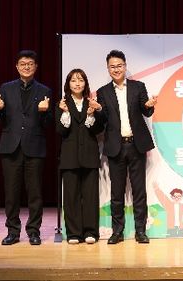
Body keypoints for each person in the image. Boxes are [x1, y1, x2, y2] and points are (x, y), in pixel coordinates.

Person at [95, 50, 157, 244]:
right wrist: (98, 110)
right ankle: (117, 232)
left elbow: (146, 111)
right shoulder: (103, 92)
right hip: (116, 147)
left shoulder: (138, 87)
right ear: (108, 69)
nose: (116, 69)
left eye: (119, 66)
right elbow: (102, 121)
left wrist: (149, 105)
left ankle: (141, 231)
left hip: (136, 145)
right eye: (112, 66)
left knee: (139, 191)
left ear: (125, 66)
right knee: (117, 193)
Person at [0, 50, 52, 246]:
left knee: (35, 194)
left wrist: (44, 112)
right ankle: (13, 231)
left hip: (34, 147)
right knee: (11, 194)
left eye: (30, 64)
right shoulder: (6, 88)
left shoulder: (44, 90)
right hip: (10, 148)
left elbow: (48, 123)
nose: (26, 67)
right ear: (17, 67)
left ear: (36, 67)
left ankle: (34, 231)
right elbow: (0, 120)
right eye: (23, 64)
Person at [55, 68, 105, 244]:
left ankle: (91, 232)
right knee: (71, 196)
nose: (77, 84)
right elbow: (60, 131)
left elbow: (98, 129)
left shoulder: (91, 103)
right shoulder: (62, 104)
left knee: (90, 196)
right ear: (68, 84)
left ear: (85, 83)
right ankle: (74, 233)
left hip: (89, 155)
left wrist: (92, 115)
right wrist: (65, 113)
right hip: (69, 157)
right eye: (73, 80)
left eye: (81, 80)